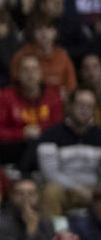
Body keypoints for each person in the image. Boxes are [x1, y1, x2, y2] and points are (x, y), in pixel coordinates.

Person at [38, 88, 100, 217]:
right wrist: (80, 189)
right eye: (80, 104)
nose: (84, 110)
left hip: (94, 191)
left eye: (89, 106)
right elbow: (50, 173)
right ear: (70, 106)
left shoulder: (99, 135)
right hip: (64, 189)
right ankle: (57, 233)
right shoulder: (51, 135)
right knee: (50, 191)